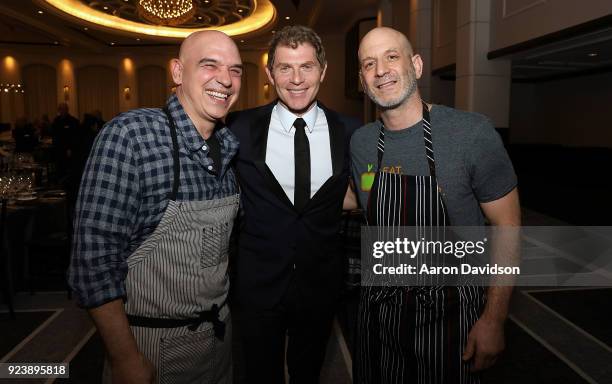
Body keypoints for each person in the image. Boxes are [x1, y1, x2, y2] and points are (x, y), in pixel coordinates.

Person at [68, 30, 243, 384]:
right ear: (177, 72)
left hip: (220, 344)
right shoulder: (132, 136)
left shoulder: (229, 146)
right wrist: (125, 358)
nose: (225, 79)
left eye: (236, 70)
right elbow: (93, 264)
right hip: (150, 348)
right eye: (210, 65)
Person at [348, 27, 521, 383]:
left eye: (391, 57)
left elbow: (508, 227)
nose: (381, 70)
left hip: (453, 317)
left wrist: (493, 319)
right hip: (381, 317)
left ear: (417, 65)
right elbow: (364, 192)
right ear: (363, 81)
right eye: (369, 64)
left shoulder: (471, 133)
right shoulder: (362, 143)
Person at [227, 25, 360, 383]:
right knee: (258, 374)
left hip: (321, 284)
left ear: (323, 71)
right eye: (285, 67)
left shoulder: (351, 132)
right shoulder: (238, 128)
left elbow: (364, 191)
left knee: (308, 373)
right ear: (270, 74)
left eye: (307, 66)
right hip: (257, 286)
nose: (296, 78)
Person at [51, 102, 79, 180]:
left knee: (68, 169)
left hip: (68, 150)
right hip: (58, 149)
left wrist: (70, 148)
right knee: (59, 169)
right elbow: (54, 134)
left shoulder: (73, 121)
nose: (62, 111)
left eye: (64, 109)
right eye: (60, 109)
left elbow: (75, 136)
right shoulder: (56, 120)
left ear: (67, 110)